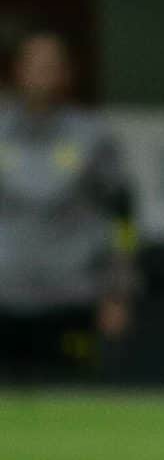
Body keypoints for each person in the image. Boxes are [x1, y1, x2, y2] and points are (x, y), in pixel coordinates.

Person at [0, 31, 135, 379]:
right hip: (6, 294)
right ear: (17, 69)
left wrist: (118, 290)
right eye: (35, 63)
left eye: (53, 65)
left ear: (67, 73)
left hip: (72, 297)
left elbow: (124, 217)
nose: (43, 73)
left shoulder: (93, 137)